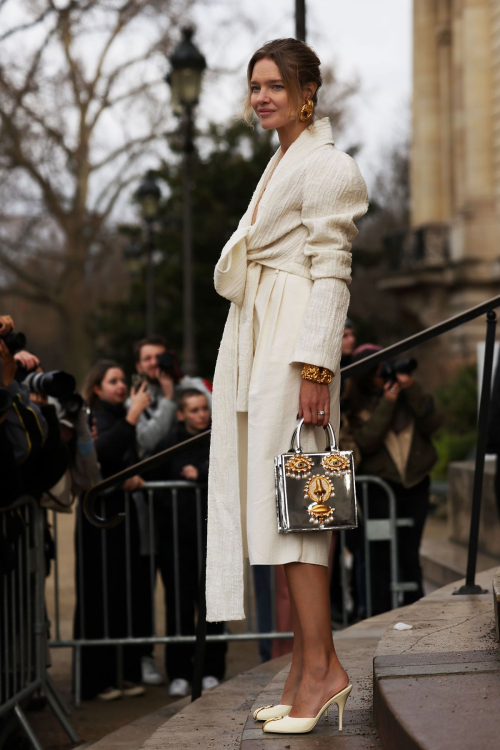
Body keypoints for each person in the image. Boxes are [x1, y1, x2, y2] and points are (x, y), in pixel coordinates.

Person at [206, 38, 369, 734]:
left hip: (290, 346)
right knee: (285, 516)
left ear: (307, 93)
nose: (262, 96)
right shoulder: (279, 163)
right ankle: (306, 672)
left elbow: (332, 270)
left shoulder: (328, 167)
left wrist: (315, 367)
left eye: (276, 85)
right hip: (258, 339)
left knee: (303, 515)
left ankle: (324, 673)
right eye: (255, 86)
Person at [74, 360, 152, 701]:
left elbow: (125, 458)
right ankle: (97, 678)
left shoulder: (118, 415)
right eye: (113, 380)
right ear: (96, 387)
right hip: (97, 519)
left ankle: (124, 672)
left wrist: (130, 476)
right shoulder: (93, 417)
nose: (121, 386)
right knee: (99, 593)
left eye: (123, 380)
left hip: (121, 516)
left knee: (125, 592)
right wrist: (133, 414)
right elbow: (101, 454)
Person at [347, 344, 442, 615]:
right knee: (379, 555)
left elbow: (433, 422)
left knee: (410, 554)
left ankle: (415, 611)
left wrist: (411, 388)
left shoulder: (409, 397)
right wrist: (387, 404)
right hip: (379, 489)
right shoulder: (357, 405)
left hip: (414, 485)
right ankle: (381, 613)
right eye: (380, 370)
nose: (386, 375)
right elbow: (367, 441)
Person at [150, 389, 225, 696]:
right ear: (180, 414)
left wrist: (203, 473)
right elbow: (149, 473)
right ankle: (179, 673)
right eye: (193, 410)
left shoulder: (219, 439)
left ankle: (212, 670)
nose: (201, 414)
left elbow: (229, 469)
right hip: (176, 541)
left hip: (213, 538)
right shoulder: (168, 444)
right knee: (178, 607)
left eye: (203, 408)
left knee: (213, 608)